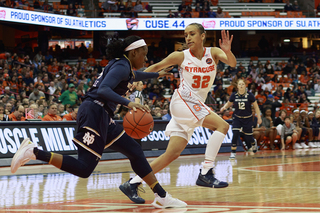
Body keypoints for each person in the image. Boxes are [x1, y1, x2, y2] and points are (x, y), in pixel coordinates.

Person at [11, 35, 186, 209]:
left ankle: (161, 196)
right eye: (144, 54)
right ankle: (33, 152)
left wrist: (156, 74)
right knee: (84, 168)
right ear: (133, 53)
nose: (146, 58)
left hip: (102, 114)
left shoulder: (122, 65)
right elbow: (103, 89)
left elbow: (134, 75)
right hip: (95, 113)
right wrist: (129, 102)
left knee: (135, 151)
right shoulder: (121, 67)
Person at [120, 24, 237, 203]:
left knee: (171, 154)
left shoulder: (212, 52)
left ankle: (133, 183)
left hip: (193, 105)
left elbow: (232, 63)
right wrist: (129, 80)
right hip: (183, 101)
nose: (188, 38)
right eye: (186, 35)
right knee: (222, 125)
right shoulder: (180, 56)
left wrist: (227, 51)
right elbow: (155, 67)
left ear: (203, 36)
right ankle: (206, 171)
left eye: (192, 34)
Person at [220, 79, 262, 158]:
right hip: (237, 118)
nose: (241, 86)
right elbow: (229, 103)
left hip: (248, 118)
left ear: (245, 85)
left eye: (243, 84)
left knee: (249, 136)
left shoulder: (250, 95)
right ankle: (233, 152)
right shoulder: (234, 95)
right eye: (240, 84)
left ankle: (253, 143)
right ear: (237, 86)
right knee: (235, 133)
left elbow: (256, 107)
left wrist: (259, 118)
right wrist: (223, 108)